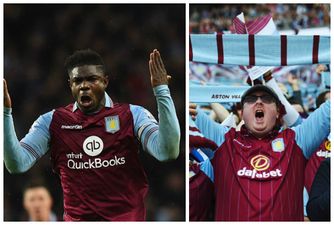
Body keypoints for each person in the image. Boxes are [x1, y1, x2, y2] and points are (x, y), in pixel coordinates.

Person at [4, 49, 180, 221]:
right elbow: (17, 163)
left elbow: (167, 151)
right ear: (70, 85)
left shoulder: (132, 115)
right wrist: (5, 114)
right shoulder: (52, 122)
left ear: (105, 81)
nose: (84, 86)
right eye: (77, 81)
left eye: (92, 79)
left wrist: (162, 92)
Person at [189, 84, 330, 221]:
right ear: (242, 114)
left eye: (267, 99)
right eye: (251, 99)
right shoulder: (223, 140)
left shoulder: (297, 140)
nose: (259, 102)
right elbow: (183, 114)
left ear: (278, 112)